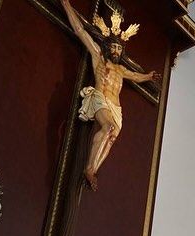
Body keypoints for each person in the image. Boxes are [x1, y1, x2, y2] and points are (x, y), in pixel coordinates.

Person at [60, 0, 160, 190]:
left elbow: (136, 77)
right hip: (100, 98)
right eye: (113, 46)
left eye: (119, 48)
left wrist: (148, 76)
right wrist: (66, 5)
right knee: (108, 127)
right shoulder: (98, 56)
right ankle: (89, 168)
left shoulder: (121, 69)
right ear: (107, 46)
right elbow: (80, 30)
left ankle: (93, 169)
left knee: (112, 134)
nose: (116, 50)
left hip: (116, 107)